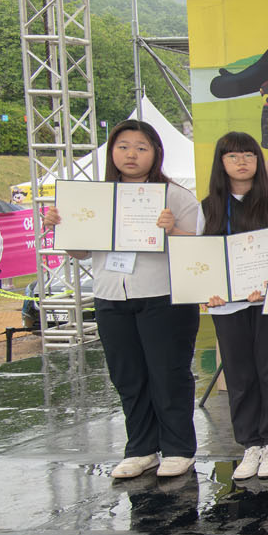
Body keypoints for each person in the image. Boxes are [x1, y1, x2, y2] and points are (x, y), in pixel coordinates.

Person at [41, 120, 202, 479]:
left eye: (141, 147)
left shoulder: (175, 196)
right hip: (111, 296)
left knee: (168, 374)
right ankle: (141, 449)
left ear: (156, 153)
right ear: (112, 152)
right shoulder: (95, 198)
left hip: (164, 296)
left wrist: (172, 230)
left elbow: (198, 249)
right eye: (123, 146)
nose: (132, 154)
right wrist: (63, 228)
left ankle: (178, 448)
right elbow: (81, 252)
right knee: (128, 376)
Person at [201, 132, 268, 482]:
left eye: (248, 155)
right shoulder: (208, 208)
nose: (241, 162)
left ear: (258, 161)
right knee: (239, 376)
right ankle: (250, 444)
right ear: (221, 163)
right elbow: (201, 259)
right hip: (227, 307)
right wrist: (207, 291)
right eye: (232, 156)